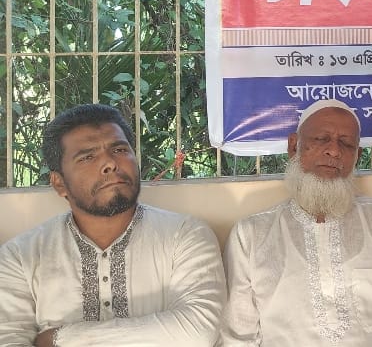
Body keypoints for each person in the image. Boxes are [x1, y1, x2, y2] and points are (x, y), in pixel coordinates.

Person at [220, 99, 372, 346]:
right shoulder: (251, 234)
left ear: (357, 156)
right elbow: (237, 337)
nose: (334, 151)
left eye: (346, 143)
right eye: (321, 139)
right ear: (293, 146)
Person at [0, 103, 225, 347]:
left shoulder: (185, 235)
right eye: (87, 157)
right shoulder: (21, 256)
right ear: (59, 183)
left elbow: (198, 331)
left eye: (119, 149)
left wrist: (57, 338)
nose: (110, 163)